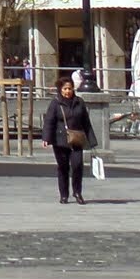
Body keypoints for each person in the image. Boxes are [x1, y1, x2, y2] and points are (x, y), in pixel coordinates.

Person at [42, 77, 95, 205]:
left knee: (77, 166)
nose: (67, 91)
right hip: (60, 140)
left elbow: (86, 122)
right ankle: (64, 194)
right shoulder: (56, 103)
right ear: (60, 90)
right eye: (65, 89)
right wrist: (46, 138)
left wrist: (91, 140)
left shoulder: (79, 102)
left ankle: (77, 192)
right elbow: (49, 121)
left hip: (76, 139)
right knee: (63, 167)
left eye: (70, 88)